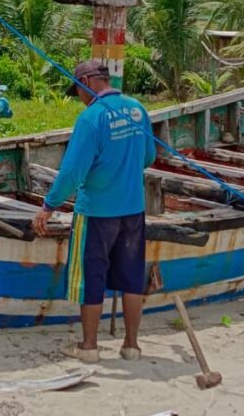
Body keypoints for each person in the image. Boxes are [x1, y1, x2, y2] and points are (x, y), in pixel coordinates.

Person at [31, 60, 156, 363]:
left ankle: (89, 347)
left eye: (77, 89)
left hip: (97, 212)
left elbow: (72, 172)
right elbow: (149, 156)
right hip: (133, 210)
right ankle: (131, 346)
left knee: (91, 278)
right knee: (131, 278)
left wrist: (48, 206)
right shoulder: (137, 109)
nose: (79, 96)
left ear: (87, 80)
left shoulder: (92, 118)